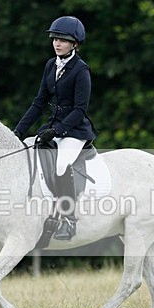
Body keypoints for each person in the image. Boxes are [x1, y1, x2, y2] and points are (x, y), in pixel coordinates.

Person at [14, 16, 96, 241]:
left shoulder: (81, 71)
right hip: (53, 127)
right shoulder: (51, 65)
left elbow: (80, 110)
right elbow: (39, 102)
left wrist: (58, 130)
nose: (57, 43)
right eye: (55, 39)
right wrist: (18, 131)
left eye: (63, 40)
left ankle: (69, 220)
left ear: (75, 44)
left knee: (61, 165)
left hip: (75, 131)